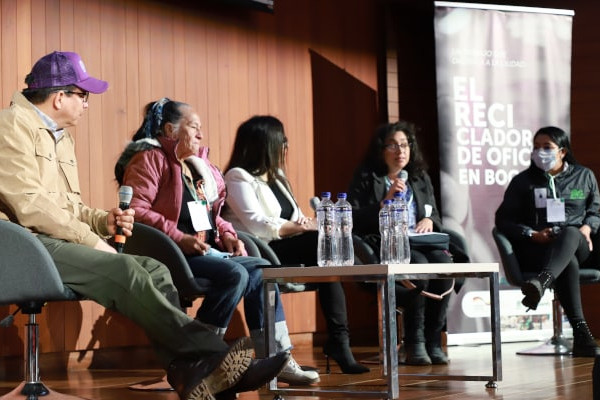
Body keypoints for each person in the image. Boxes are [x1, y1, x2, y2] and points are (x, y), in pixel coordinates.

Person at [0, 51, 290, 400]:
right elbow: (31, 207)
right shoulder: (10, 126)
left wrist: (101, 221)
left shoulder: (61, 136)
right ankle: (213, 358)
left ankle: (189, 375)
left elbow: (68, 206)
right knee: (129, 271)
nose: (88, 104)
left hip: (57, 239)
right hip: (28, 244)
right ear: (60, 96)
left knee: (154, 268)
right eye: (84, 95)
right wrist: (93, 242)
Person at [115, 99, 319, 385]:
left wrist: (228, 235)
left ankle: (277, 353)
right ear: (170, 130)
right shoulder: (150, 159)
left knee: (262, 269)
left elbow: (214, 215)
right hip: (171, 254)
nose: (200, 134)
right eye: (194, 127)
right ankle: (200, 356)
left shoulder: (199, 168)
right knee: (235, 274)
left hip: (207, 251)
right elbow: (136, 210)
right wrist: (179, 238)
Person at [223, 115, 370, 374]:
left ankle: (340, 340)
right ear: (266, 144)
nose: (286, 146)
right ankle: (360, 275)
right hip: (263, 248)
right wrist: (303, 227)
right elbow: (257, 223)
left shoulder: (277, 177)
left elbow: (294, 217)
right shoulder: (237, 177)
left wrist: (308, 222)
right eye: (282, 140)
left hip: (287, 243)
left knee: (326, 254)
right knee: (323, 246)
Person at [347, 120, 454, 365]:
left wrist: (428, 218)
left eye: (405, 145)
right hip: (386, 244)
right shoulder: (368, 178)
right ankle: (414, 343)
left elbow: (435, 214)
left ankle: (433, 340)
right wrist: (384, 202)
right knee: (416, 269)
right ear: (381, 150)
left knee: (445, 267)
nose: (400, 151)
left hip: (422, 242)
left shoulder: (419, 177)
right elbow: (353, 216)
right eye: (393, 145)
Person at [495, 126, 600, 357]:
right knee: (567, 262)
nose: (540, 152)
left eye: (547, 147)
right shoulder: (523, 182)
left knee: (570, 233)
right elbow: (503, 220)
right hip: (539, 247)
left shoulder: (584, 176)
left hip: (579, 242)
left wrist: (586, 227)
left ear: (562, 151)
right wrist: (531, 234)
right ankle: (582, 335)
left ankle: (541, 282)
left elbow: (595, 211)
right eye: (536, 147)